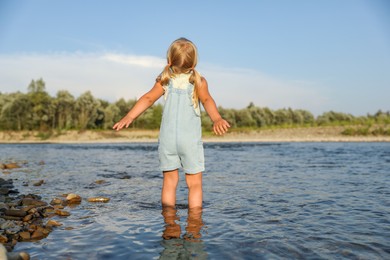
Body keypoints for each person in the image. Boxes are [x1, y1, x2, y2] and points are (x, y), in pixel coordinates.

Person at [113, 37, 230, 209]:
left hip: (167, 140)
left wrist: (130, 116)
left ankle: (169, 219)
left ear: (169, 60)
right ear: (194, 63)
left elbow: (147, 98)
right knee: (195, 184)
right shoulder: (198, 81)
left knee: (169, 181)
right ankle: (195, 221)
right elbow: (207, 100)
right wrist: (217, 118)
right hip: (189, 141)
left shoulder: (164, 80)